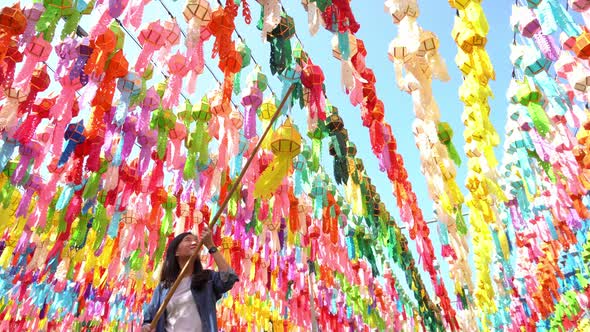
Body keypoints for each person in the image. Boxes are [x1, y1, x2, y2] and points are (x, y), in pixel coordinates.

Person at [142, 226, 239, 332]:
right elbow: (149, 319)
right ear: (176, 252)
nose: (194, 243)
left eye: (196, 241)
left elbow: (228, 278)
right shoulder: (163, 288)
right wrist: (146, 327)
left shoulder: (207, 280)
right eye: (188, 240)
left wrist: (211, 246)